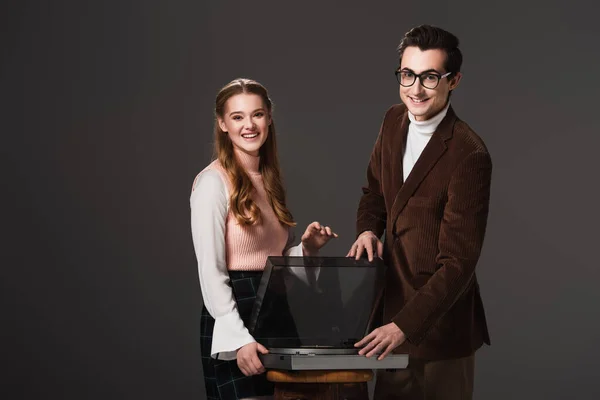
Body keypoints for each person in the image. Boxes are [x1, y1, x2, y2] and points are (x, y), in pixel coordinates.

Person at [347, 25, 492, 399]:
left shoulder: (469, 155)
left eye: (429, 76)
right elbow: (375, 192)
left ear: (454, 80)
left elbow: (459, 264)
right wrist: (367, 229)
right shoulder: (392, 120)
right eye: (407, 74)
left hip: (439, 331)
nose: (415, 88)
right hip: (388, 320)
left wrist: (404, 327)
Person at [190, 78, 338, 400]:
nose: (249, 125)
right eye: (238, 117)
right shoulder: (211, 183)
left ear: (269, 118)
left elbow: (276, 262)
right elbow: (211, 273)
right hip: (235, 310)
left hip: (276, 306)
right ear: (222, 123)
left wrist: (307, 249)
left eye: (257, 115)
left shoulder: (269, 182)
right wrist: (238, 339)